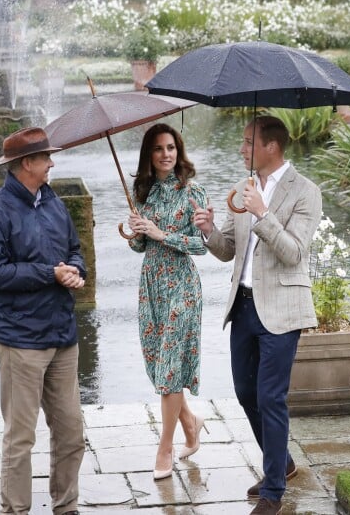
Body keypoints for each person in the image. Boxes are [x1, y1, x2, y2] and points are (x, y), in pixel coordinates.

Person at [192, 116, 322, 515]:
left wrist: (264, 214)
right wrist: (210, 230)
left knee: (270, 397)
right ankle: (280, 461)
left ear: (272, 147)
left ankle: (274, 493)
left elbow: (294, 253)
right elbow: (228, 248)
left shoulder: (306, 192)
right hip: (243, 306)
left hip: (282, 308)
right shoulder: (242, 189)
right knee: (246, 393)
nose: (242, 149)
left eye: (249, 142)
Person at [0, 126, 86, 515]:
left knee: (72, 432)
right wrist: (48, 274)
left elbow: (74, 249)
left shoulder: (53, 202)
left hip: (62, 336)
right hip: (19, 340)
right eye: (45, 158)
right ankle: (15, 510)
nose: (52, 163)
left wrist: (74, 270)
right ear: (27, 164)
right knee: (20, 438)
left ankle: (66, 506)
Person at [127, 123, 209, 481]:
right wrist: (135, 233)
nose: (166, 154)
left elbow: (202, 245)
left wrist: (162, 234)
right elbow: (141, 247)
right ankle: (191, 423)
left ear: (179, 151)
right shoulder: (142, 193)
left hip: (182, 286)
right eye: (159, 149)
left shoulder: (193, 192)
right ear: (150, 154)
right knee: (161, 368)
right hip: (151, 286)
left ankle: (165, 447)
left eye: (171, 148)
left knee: (171, 370)